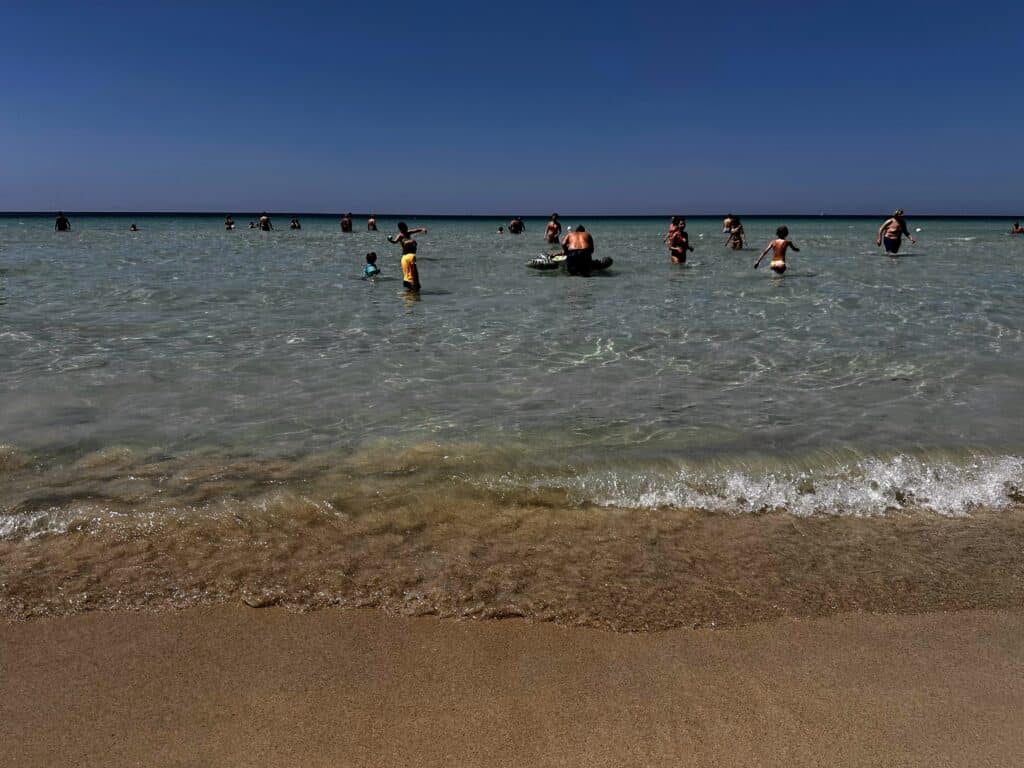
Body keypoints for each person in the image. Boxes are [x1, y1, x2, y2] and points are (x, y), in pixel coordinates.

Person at [387, 221, 427, 291]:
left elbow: (416, 230)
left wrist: (422, 229)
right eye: (404, 228)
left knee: (411, 270)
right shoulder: (400, 236)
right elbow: (395, 242)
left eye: (406, 227)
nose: (406, 229)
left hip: (410, 254)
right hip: (405, 253)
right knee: (410, 270)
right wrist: (390, 241)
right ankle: (412, 283)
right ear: (400, 229)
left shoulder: (408, 232)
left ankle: (411, 284)